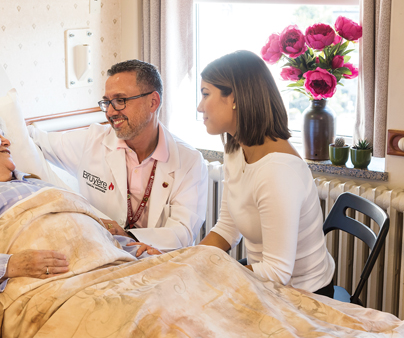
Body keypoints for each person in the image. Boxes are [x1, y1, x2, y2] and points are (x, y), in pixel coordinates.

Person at [0, 103, 159, 308]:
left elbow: (84, 233)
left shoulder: (32, 183)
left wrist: (133, 246)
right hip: (64, 288)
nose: (7, 141)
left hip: (114, 266)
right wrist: (9, 265)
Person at [29, 60, 208, 253]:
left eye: (120, 100)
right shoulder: (92, 141)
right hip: (103, 255)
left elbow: (182, 231)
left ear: (153, 102)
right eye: (107, 102)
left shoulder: (189, 161)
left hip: (155, 260)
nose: (110, 112)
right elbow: (34, 139)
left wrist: (128, 236)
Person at [197, 50, 335, 297]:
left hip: (303, 295)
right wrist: (185, 262)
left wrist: (215, 273)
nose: (200, 107)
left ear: (234, 98)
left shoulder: (277, 172)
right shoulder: (235, 148)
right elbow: (227, 228)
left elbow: (278, 271)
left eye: (206, 94)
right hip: (266, 283)